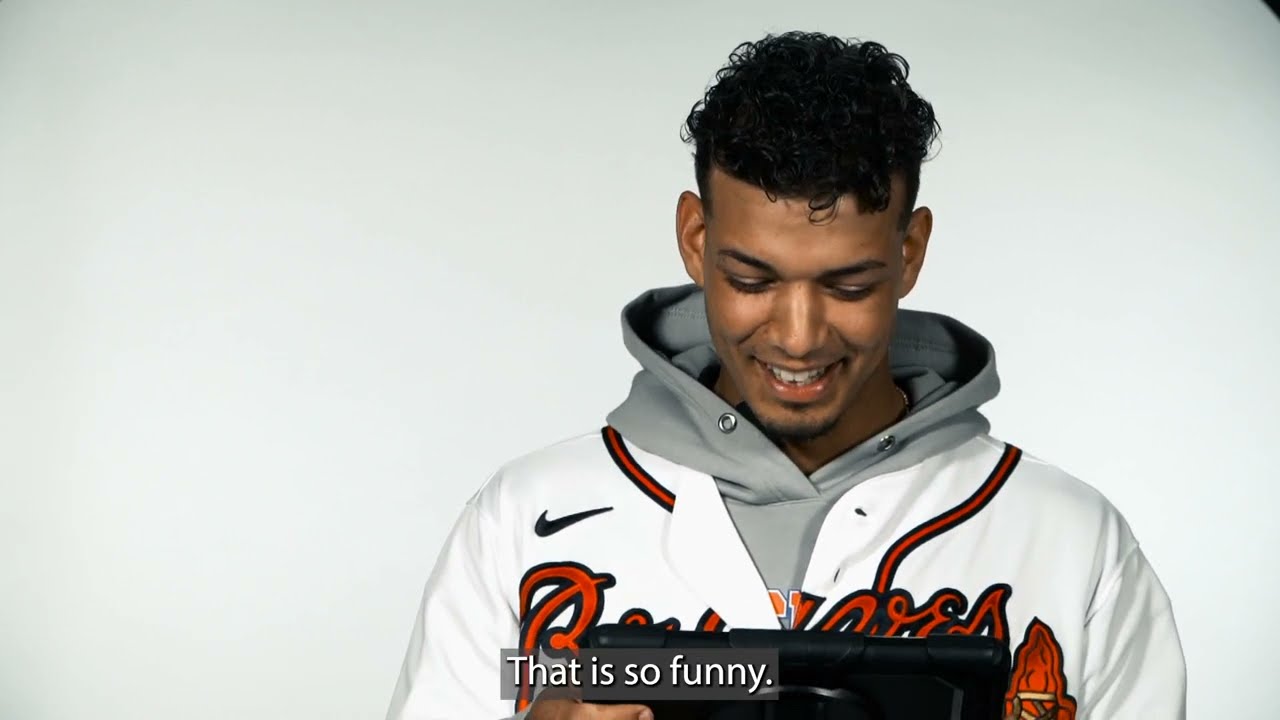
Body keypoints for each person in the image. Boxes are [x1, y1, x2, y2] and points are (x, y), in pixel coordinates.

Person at [385, 31, 1187, 720]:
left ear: (909, 253)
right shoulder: (526, 521)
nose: (798, 338)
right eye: (753, 280)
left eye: (848, 286)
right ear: (696, 239)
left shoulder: (1069, 540)